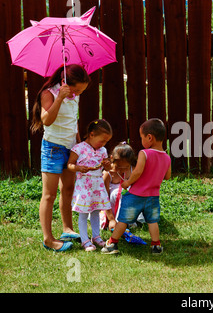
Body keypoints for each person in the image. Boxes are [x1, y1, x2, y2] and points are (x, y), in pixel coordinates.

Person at [31, 64, 90, 252]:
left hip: (71, 146)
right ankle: (48, 239)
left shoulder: (75, 96)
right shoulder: (49, 93)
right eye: (77, 89)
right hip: (53, 148)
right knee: (49, 195)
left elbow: (74, 121)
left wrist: (80, 145)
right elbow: (47, 120)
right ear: (66, 83)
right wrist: (60, 98)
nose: (79, 93)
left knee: (68, 188)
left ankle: (67, 228)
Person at [102, 118, 171, 255]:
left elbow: (138, 172)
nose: (141, 141)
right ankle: (156, 246)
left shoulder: (144, 153)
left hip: (136, 195)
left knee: (123, 220)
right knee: (152, 221)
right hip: (153, 196)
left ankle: (112, 243)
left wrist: (127, 183)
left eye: (142, 137)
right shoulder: (166, 157)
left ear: (149, 137)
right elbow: (167, 176)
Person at [67, 119, 113, 251]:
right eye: (102, 140)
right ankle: (84, 240)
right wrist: (78, 168)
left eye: (106, 142)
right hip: (84, 186)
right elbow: (69, 165)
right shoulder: (79, 148)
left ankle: (96, 236)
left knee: (96, 211)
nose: (103, 144)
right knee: (83, 213)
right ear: (91, 134)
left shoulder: (102, 150)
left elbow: (108, 169)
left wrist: (108, 165)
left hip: (97, 185)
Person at [101, 142, 136, 230]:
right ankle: (118, 221)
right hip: (112, 205)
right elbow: (104, 198)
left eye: (126, 168)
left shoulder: (133, 169)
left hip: (130, 205)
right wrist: (111, 219)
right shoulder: (107, 174)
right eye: (118, 167)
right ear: (112, 159)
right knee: (119, 193)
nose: (122, 171)